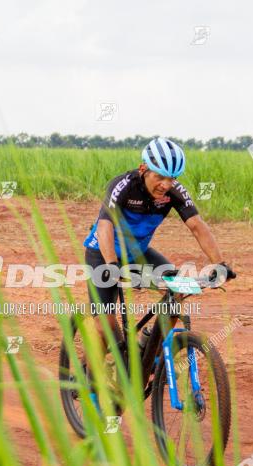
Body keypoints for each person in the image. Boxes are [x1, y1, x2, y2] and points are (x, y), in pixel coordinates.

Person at [82, 136, 236, 340]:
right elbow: (104, 226)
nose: (166, 185)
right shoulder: (123, 186)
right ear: (143, 168)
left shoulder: (175, 192)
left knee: (178, 289)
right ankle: (95, 370)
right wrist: (111, 264)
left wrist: (220, 263)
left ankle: (152, 346)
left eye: (171, 179)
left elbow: (197, 226)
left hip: (138, 253)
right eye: (160, 177)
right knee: (105, 327)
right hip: (102, 254)